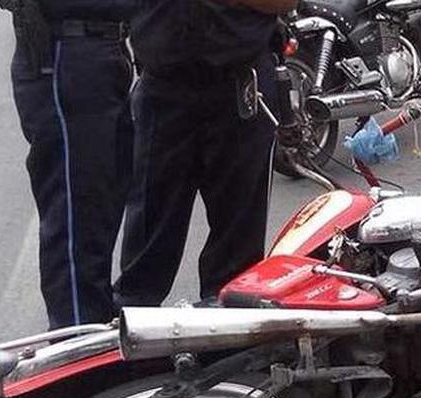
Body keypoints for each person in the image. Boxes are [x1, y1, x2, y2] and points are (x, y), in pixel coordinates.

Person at [114, 0, 297, 307]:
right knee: (146, 248)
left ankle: (229, 331)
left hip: (241, 85)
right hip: (163, 87)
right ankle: (131, 325)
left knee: (236, 263)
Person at [2, 0, 137, 328]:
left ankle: (94, 323)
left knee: (102, 203)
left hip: (107, 50)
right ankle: (75, 335)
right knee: (76, 212)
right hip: (66, 52)